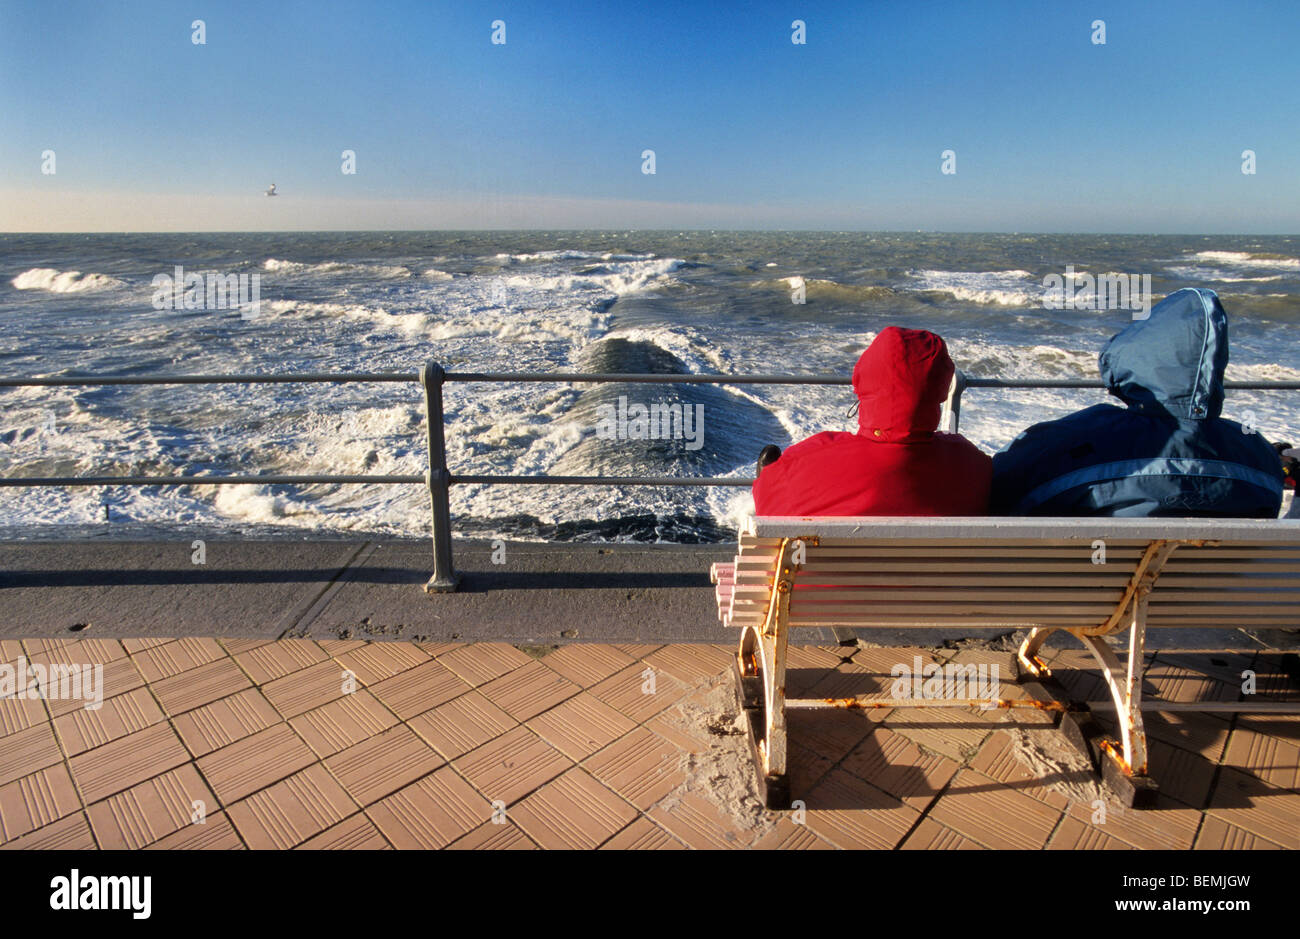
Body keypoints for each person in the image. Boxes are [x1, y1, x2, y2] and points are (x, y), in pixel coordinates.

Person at [991, 287, 1283, 517]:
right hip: (1218, 592)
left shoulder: (1072, 442)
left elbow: (997, 492)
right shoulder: (1258, 454)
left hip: (1093, 589)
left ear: (1136, 354)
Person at [753, 326, 991, 516]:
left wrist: (770, 476)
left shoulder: (807, 462)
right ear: (940, 388)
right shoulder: (972, 466)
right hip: (941, 577)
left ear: (864, 380)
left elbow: (766, 505)